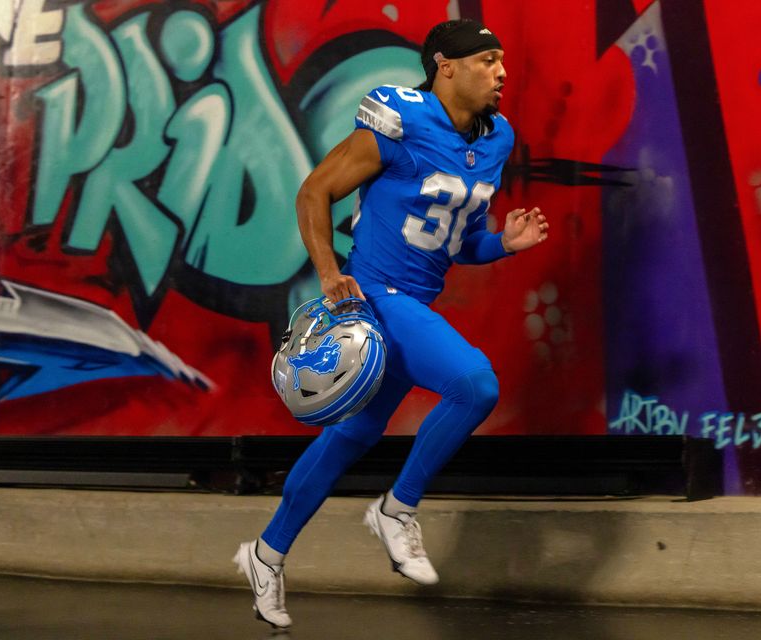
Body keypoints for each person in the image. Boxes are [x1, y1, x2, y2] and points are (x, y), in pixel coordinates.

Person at [233, 18, 549, 628]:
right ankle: (396, 510)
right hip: (375, 295)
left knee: (349, 439)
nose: (502, 72)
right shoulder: (398, 120)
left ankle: (265, 555)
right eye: (487, 60)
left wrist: (503, 244)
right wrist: (328, 272)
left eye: (502, 60)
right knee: (475, 383)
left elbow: (460, 245)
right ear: (444, 66)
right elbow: (312, 192)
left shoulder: (497, 138)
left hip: (415, 303)